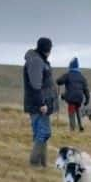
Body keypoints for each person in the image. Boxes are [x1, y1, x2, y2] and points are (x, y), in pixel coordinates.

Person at [23, 37, 58, 168]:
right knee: (43, 132)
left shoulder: (39, 60)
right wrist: (42, 103)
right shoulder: (36, 61)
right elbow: (36, 85)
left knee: (42, 133)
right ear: (47, 49)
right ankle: (34, 163)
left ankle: (43, 164)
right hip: (38, 105)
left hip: (42, 103)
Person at [56, 57, 90, 132]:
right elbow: (86, 89)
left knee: (71, 112)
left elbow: (59, 81)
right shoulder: (82, 77)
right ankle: (80, 126)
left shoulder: (68, 74)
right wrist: (87, 99)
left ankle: (72, 129)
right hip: (79, 98)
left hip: (71, 98)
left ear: (70, 66)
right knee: (77, 110)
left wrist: (58, 80)